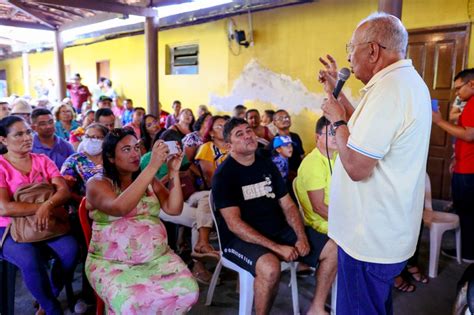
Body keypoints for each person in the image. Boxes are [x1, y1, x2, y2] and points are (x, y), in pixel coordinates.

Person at [319, 13, 431, 314]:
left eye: (351, 47)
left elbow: (356, 166)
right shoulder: (401, 83)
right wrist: (338, 97)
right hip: (383, 230)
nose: (349, 56)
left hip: (367, 238)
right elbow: (365, 132)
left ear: (373, 50)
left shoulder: (390, 90)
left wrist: (337, 118)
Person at [212, 118, 337, 315]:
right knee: (270, 267)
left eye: (248, 131)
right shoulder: (224, 175)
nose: (248, 136)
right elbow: (234, 224)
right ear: (229, 146)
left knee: (332, 249)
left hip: (278, 230)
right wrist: (277, 248)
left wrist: (301, 236)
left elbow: (287, 204)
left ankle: (317, 307)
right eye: (240, 134)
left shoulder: (266, 164)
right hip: (239, 240)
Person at [85, 128, 198, 313]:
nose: (135, 153)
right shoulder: (97, 183)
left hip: (156, 258)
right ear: (111, 157)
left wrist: (174, 173)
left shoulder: (148, 180)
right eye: (126, 149)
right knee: (131, 303)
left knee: (189, 292)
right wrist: (152, 166)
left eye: (137, 147)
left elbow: (173, 208)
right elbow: (120, 208)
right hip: (112, 262)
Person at [0, 115, 79, 315]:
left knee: (71, 252)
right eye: (19, 134)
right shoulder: (1, 166)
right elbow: (4, 208)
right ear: (3, 140)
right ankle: (53, 309)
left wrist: (48, 206)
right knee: (30, 259)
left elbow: (63, 191)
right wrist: (42, 207)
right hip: (9, 226)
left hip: (48, 221)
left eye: (28, 132)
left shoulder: (42, 160)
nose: (27, 138)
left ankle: (47, 297)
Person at [432, 68, 474, 263]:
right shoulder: (468, 103)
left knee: (466, 212)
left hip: (469, 170)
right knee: (465, 209)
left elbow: (468, 134)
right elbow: (457, 119)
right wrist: (455, 157)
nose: (457, 93)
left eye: (459, 88)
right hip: (463, 164)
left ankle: (467, 253)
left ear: (471, 84)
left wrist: (439, 121)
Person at [295, 116, 335, 235]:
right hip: (324, 222)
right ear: (318, 137)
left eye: (339, 132)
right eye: (331, 132)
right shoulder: (313, 163)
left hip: (339, 213)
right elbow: (319, 208)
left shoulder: (337, 156)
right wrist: (348, 222)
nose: (337, 137)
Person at [269, 109, 305, 180]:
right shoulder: (275, 143)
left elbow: (302, 156)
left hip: (300, 176)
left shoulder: (295, 136)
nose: (285, 120)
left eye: (287, 117)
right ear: (274, 123)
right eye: (280, 118)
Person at [195, 115, 229, 188]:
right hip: (220, 189)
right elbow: (211, 178)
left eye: (226, 126)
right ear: (211, 133)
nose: (224, 129)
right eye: (219, 127)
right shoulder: (207, 148)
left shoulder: (233, 146)